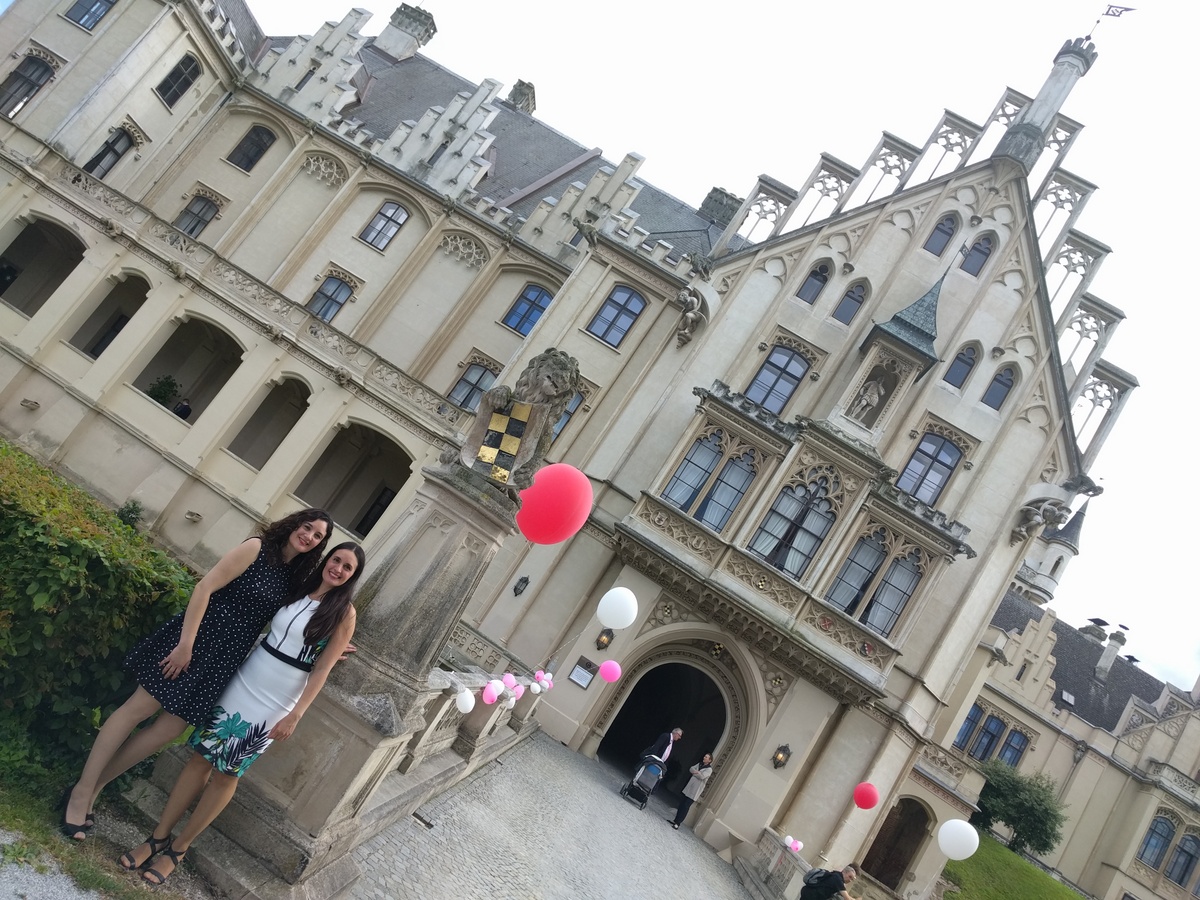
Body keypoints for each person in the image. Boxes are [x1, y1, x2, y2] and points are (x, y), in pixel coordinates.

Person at [61, 508, 333, 840]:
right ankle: (81, 791)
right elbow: (205, 588)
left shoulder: (294, 578)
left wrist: (335, 638)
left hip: (224, 659)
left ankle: (97, 786)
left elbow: (304, 613)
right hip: (195, 640)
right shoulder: (256, 548)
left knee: (169, 728)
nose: (309, 536)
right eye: (307, 527)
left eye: (317, 536)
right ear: (294, 524)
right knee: (137, 709)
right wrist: (185, 645)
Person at [118, 542, 362, 885]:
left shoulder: (344, 614)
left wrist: (296, 714)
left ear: (352, 576)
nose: (338, 568)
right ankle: (157, 837)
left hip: (278, 699)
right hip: (246, 679)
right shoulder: (298, 589)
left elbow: (322, 669)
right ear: (327, 560)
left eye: (347, 567)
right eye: (336, 560)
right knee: (200, 757)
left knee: (227, 772)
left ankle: (179, 849)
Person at [671, 752, 712, 829]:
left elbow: (702, 776)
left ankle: (678, 823)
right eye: (704, 756)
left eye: (706, 757)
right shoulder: (699, 764)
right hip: (689, 787)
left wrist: (696, 772)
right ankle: (675, 820)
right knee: (682, 804)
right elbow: (691, 769)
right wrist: (697, 772)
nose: (704, 757)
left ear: (709, 760)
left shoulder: (709, 769)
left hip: (695, 791)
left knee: (686, 806)